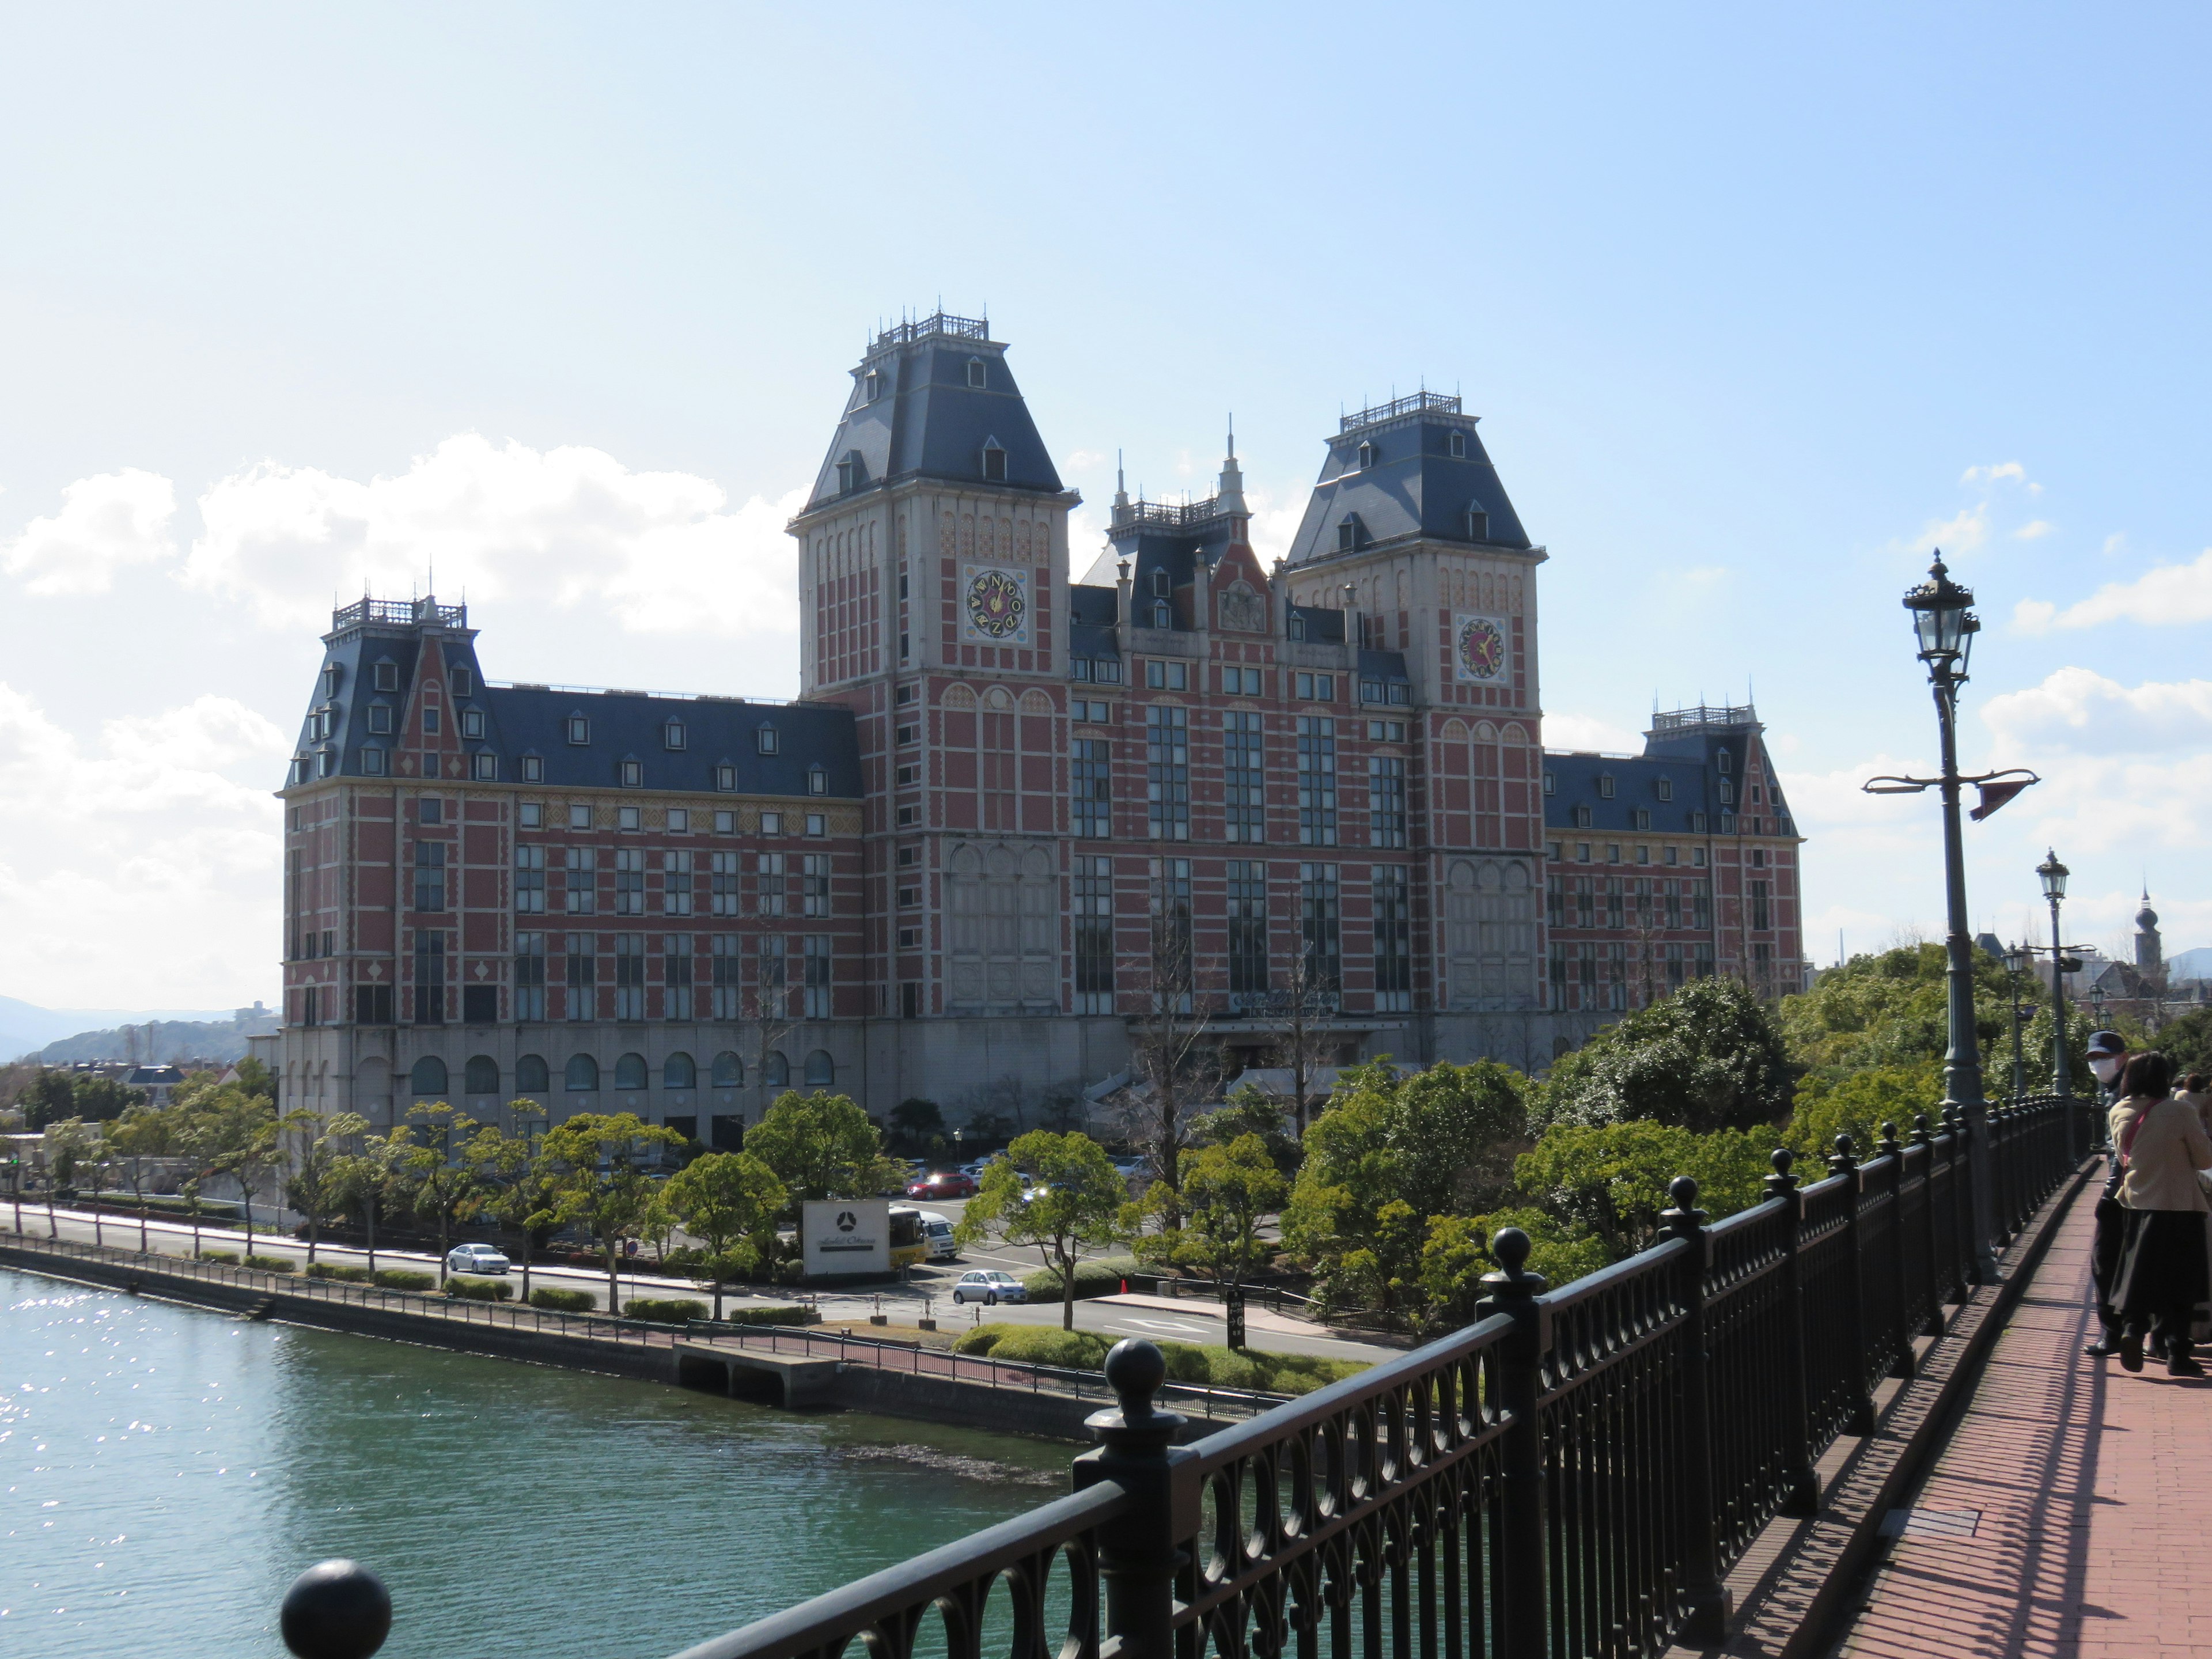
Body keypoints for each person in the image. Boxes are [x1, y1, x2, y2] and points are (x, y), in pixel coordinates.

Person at [2108, 1051, 2212, 1377]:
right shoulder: (2179, 1111)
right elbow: (2204, 1159)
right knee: (2181, 1279)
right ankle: (2177, 1352)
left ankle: (2133, 1330)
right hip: (2181, 1205)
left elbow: (2123, 1155)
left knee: (2139, 1273)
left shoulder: (2118, 1110)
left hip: (2137, 1205)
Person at [2084, 1029, 2131, 1358]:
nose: (2099, 1064)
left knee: (2105, 1259)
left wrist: (2108, 1196)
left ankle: (2113, 1330)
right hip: (2144, 1188)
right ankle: (2158, 1335)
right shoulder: (2114, 1090)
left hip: (2125, 1189)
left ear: (2123, 1058)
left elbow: (2120, 1152)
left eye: (2104, 1057)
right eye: (2094, 1059)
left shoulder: (2122, 1095)